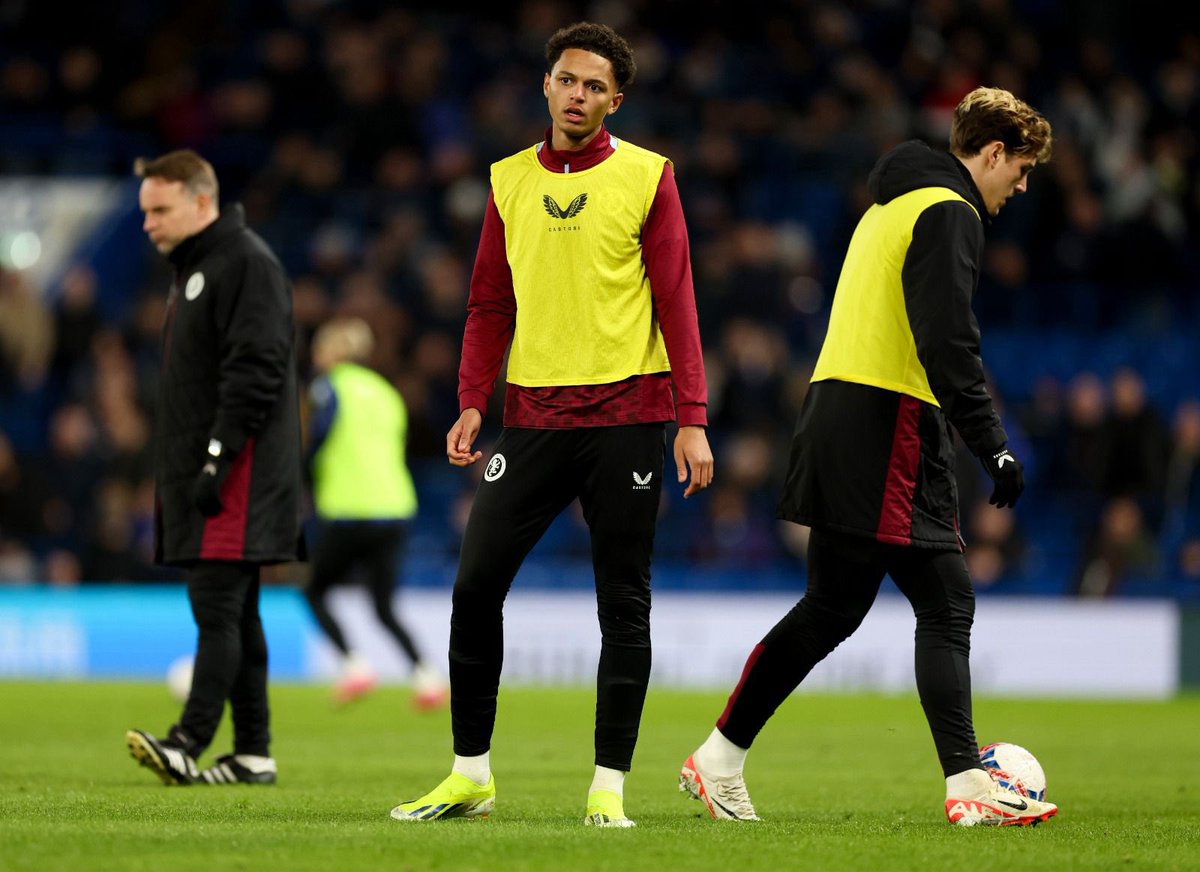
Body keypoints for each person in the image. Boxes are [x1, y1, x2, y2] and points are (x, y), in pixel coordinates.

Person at [679, 87, 1059, 827]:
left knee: (833, 607)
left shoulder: (891, 204)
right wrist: (994, 445)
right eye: (1020, 168)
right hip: (889, 419)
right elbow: (946, 341)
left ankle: (719, 756)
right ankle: (969, 785)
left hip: (834, 414)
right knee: (946, 599)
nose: (1021, 186)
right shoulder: (950, 211)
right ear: (991, 153)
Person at [390, 21, 712, 827]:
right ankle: (470, 775)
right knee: (473, 588)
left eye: (594, 86)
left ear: (615, 99)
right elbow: (490, 301)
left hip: (630, 416)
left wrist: (691, 418)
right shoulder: (506, 182)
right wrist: (472, 397)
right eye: (567, 80)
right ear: (546, 84)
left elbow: (676, 300)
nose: (578, 95)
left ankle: (608, 788)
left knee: (622, 603)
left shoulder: (648, 176)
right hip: (531, 417)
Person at [125, 149, 303, 786]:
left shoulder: (243, 263)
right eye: (145, 210)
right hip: (218, 471)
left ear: (202, 202)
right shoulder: (200, 268)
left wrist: (215, 461)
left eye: (160, 209)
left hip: (238, 474)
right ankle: (253, 751)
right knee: (239, 612)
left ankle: (187, 741)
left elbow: (255, 372)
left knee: (217, 609)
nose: (148, 223)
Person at [302, 315, 448, 709]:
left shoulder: (329, 386)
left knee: (314, 590)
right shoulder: (387, 392)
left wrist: (301, 476)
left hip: (349, 506)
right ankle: (427, 677)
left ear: (334, 351)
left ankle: (354, 666)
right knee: (383, 604)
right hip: (395, 507)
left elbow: (319, 435)